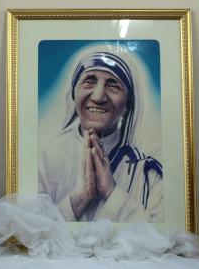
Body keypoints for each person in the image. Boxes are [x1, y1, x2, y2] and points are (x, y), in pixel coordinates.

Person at [39, 44, 163, 223]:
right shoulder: (45, 157)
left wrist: (111, 191)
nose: (98, 97)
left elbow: (163, 236)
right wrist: (82, 197)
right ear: (75, 93)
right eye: (89, 81)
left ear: (128, 104)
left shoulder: (147, 167)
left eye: (114, 85)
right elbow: (31, 235)